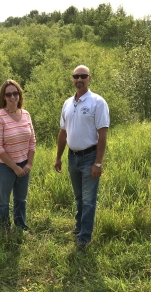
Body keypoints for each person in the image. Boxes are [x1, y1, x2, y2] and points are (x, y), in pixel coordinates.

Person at [54, 65, 110, 251]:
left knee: (88, 200)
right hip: (73, 157)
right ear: (72, 79)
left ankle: (84, 238)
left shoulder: (97, 102)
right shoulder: (68, 103)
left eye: (83, 76)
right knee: (79, 197)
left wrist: (98, 163)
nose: (79, 79)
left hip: (90, 157)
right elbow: (63, 132)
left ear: (89, 78)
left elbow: (102, 135)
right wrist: (58, 157)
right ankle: (79, 227)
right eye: (76, 76)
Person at [0, 79, 36, 232]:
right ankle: (3, 230)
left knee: (21, 199)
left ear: (19, 94)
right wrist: (15, 167)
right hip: (5, 168)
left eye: (15, 93)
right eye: (8, 94)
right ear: (3, 97)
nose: (12, 97)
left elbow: (32, 141)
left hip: (24, 165)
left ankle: (20, 226)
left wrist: (28, 164)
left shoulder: (26, 114)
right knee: (3, 201)